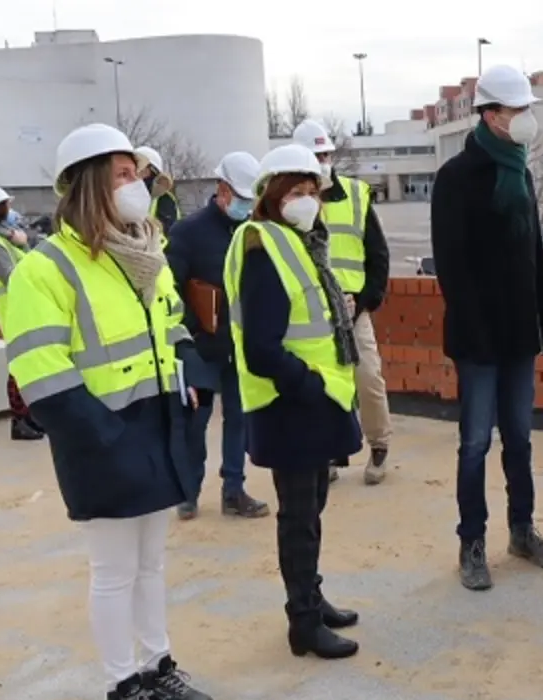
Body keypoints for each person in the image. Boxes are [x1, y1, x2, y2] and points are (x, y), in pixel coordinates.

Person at [3, 123, 215, 700]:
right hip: (100, 437)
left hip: (156, 425)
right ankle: (122, 689)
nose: (136, 185)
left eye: (136, 174)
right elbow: (41, 372)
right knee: (114, 571)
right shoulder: (45, 268)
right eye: (123, 175)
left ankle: (157, 666)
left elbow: (171, 325)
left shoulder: (146, 255)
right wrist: (104, 436)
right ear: (92, 184)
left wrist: (191, 380)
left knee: (151, 563)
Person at [222, 143, 363, 660]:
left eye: (312, 191)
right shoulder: (265, 248)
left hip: (313, 400)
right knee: (298, 517)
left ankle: (312, 598)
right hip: (292, 404)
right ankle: (302, 621)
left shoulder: (302, 244)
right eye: (295, 191)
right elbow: (261, 348)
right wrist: (309, 385)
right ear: (271, 196)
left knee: (312, 509)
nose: (307, 200)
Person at [431, 64, 543, 591]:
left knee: (520, 439)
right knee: (474, 444)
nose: (526, 118)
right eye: (518, 109)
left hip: (519, 334)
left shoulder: (521, 172)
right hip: (478, 339)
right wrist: (476, 331)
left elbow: (533, 252)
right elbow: (452, 266)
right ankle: (472, 542)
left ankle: (522, 530)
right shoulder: (456, 177)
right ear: (491, 115)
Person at [166, 151, 270, 520]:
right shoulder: (187, 232)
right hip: (201, 347)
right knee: (196, 420)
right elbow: (170, 289)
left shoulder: (253, 232)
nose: (245, 205)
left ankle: (234, 490)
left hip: (239, 344)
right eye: (240, 197)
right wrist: (194, 328)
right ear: (222, 189)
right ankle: (188, 491)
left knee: (240, 418)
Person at [291, 119, 393, 485]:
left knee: (368, 377)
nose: (322, 162)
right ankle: (330, 452)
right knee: (324, 384)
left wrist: (366, 300)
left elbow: (377, 254)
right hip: (312, 313)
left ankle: (379, 445)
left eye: (325, 155)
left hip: (354, 310)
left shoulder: (355, 195)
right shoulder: (293, 203)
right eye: (315, 156)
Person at [0, 184, 44, 441]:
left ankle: (31, 417)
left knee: (31, 365)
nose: (10, 209)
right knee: (19, 368)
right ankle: (19, 421)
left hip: (26, 311)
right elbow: (13, 278)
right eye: (6, 205)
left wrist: (24, 246)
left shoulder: (8, 238)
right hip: (13, 313)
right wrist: (24, 248)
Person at [135, 146, 181, 238]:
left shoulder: (165, 200)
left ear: (151, 170)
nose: (134, 171)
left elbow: (168, 237)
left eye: (138, 166)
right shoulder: (124, 193)